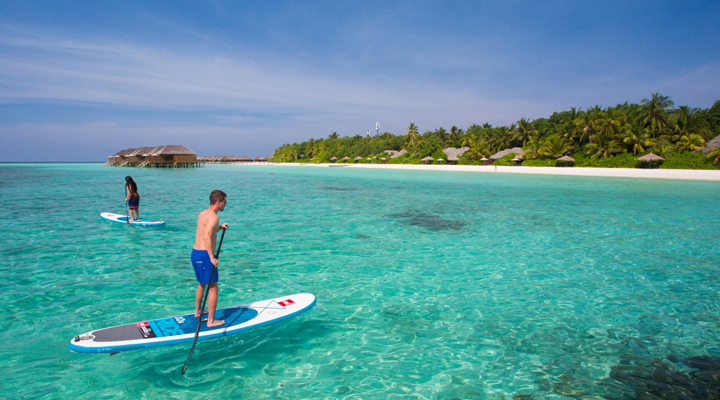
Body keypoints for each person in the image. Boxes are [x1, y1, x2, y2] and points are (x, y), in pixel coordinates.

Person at [191, 190, 229, 327]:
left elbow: (207, 230)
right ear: (218, 202)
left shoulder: (203, 213)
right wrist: (212, 257)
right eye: (224, 201)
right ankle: (211, 321)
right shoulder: (214, 217)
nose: (225, 204)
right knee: (213, 288)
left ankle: (198, 311)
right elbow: (206, 236)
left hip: (195, 253)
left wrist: (219, 228)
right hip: (205, 255)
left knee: (202, 283)